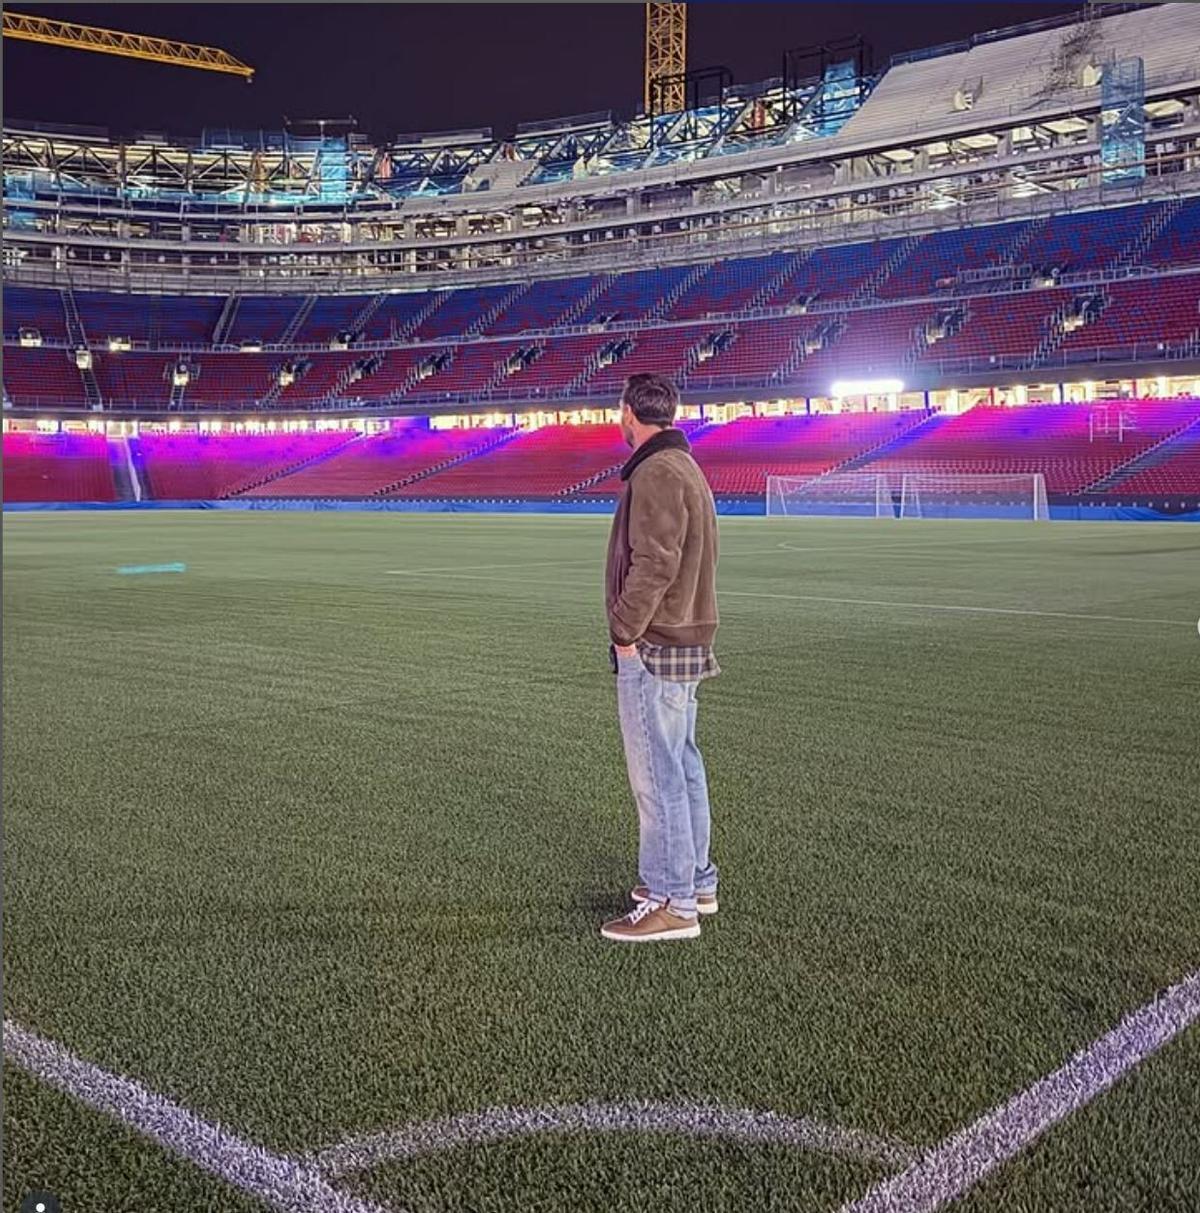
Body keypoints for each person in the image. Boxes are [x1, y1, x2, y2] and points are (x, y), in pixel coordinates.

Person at [600, 373, 720, 943]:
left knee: (658, 774)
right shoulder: (685, 467)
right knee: (683, 764)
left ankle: (673, 901)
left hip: (656, 644)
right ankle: (694, 882)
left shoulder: (655, 471)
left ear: (628, 412)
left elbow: (654, 562)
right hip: (685, 639)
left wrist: (624, 630)